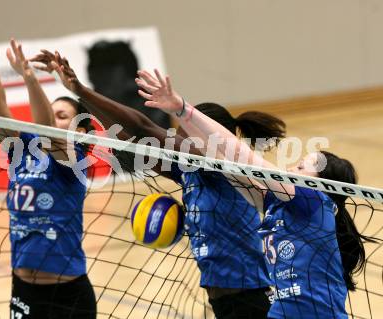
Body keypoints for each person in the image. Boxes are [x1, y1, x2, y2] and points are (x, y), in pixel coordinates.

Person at [30, 50, 288, 318]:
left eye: (188, 135)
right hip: (224, 303)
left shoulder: (227, 171)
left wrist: (82, 90)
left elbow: (143, 126)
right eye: (180, 133)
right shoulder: (190, 171)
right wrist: (81, 93)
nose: (180, 141)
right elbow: (130, 140)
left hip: (250, 302)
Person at [135, 68, 375, 319]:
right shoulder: (277, 204)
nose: (293, 167)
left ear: (321, 185)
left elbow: (243, 156)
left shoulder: (314, 201)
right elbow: (226, 161)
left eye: (302, 167)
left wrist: (184, 109)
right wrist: (179, 113)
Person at [0, 12, 96, 319]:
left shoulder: (73, 161)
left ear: (81, 131)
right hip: (23, 290)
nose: (53, 119)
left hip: (68, 296)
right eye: (52, 113)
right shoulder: (22, 151)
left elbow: (48, 130)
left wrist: (30, 77)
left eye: (63, 116)